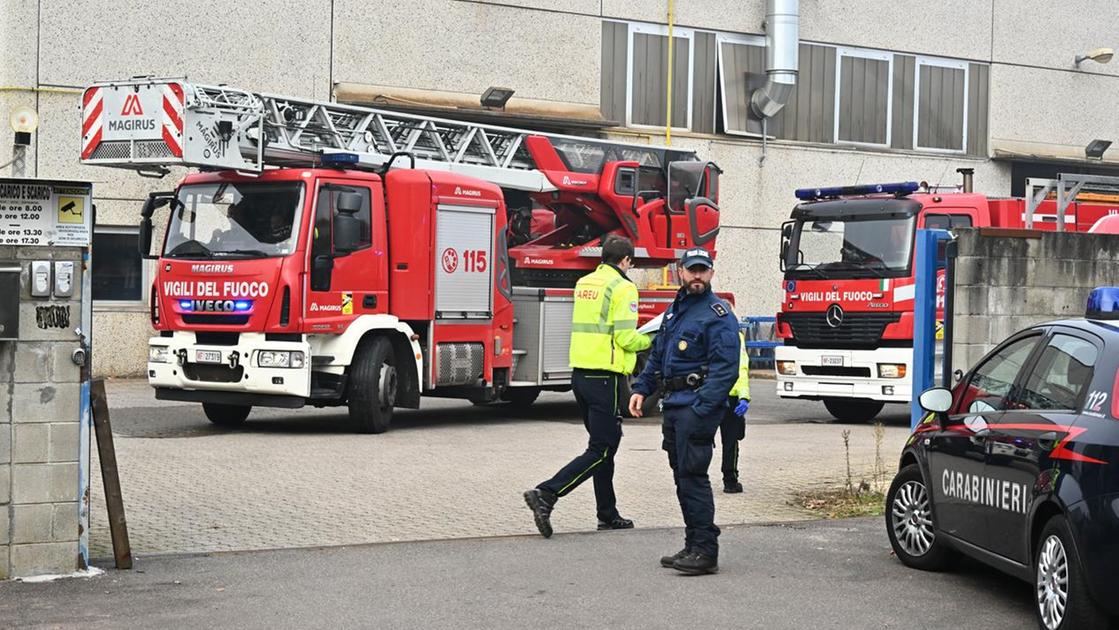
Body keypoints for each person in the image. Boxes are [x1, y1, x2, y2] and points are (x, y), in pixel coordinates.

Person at [524, 235, 652, 538]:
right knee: (603, 448)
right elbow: (624, 338)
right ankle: (547, 493)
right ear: (626, 262)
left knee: (602, 446)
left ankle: (607, 514)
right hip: (604, 378)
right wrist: (652, 339)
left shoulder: (585, 283)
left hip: (580, 375)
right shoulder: (623, 287)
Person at [628, 247, 740, 575]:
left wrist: (704, 408)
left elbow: (726, 368)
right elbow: (660, 356)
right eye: (692, 270)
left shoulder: (717, 314)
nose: (697, 276)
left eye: (703, 270)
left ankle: (706, 550)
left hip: (695, 409)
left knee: (693, 476)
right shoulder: (676, 311)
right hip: (674, 407)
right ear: (680, 271)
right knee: (682, 478)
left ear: (711, 274)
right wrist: (641, 389)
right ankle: (693, 544)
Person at [719, 331, 751, 494]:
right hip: (730, 396)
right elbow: (742, 368)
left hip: (707, 395)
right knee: (731, 440)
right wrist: (744, 397)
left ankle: (694, 479)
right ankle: (730, 481)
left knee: (700, 439)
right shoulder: (735, 335)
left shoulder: (702, 330)